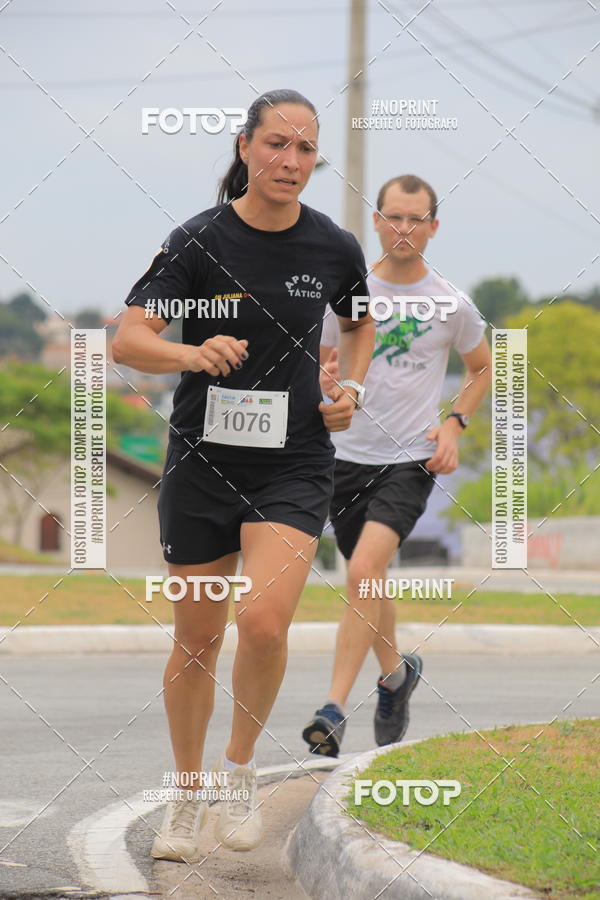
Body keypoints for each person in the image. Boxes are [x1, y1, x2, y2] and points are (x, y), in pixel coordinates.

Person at [112, 88, 375, 860]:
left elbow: (359, 326)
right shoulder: (197, 241)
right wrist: (191, 353)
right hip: (200, 461)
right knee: (196, 639)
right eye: (276, 145)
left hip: (293, 460)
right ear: (245, 148)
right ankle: (186, 799)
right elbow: (130, 339)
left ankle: (237, 774)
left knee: (263, 623)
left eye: (304, 149)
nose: (291, 162)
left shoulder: (334, 247)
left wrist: (349, 389)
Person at [302, 174, 492, 757]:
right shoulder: (351, 292)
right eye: (393, 217)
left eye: (416, 219)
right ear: (377, 221)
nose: (403, 229)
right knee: (368, 578)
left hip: (410, 459)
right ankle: (395, 675)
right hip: (344, 458)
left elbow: (483, 367)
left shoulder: (450, 302)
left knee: (360, 572)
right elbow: (320, 357)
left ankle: (332, 709)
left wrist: (454, 424)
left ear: (433, 227)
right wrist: (324, 378)